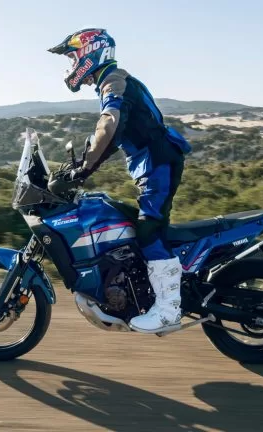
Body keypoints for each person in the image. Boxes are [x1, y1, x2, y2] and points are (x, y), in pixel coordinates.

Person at [48, 28, 192, 333]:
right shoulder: (112, 82)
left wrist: (83, 170)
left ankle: (167, 310)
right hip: (152, 162)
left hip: (158, 161)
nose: (72, 65)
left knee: (149, 229)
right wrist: (82, 166)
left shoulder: (114, 82)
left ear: (91, 52)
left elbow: (109, 126)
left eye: (74, 56)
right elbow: (110, 138)